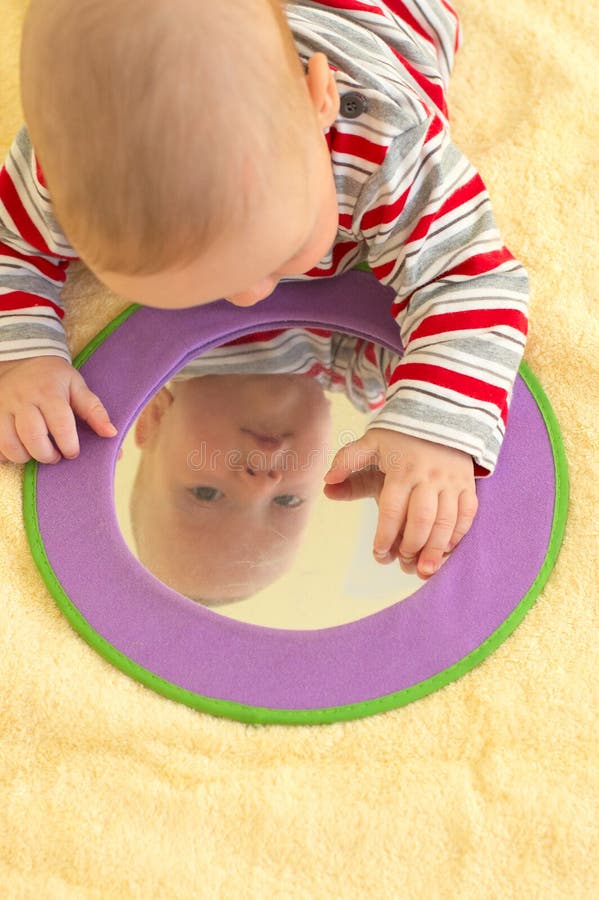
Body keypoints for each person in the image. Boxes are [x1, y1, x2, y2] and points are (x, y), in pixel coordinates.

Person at [0, 0, 529, 580]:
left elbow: (470, 275)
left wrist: (435, 427)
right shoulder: (70, 181)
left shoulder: (385, 144)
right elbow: (10, 248)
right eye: (287, 502)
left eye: (205, 493)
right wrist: (24, 354)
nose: (253, 296)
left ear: (317, 101)